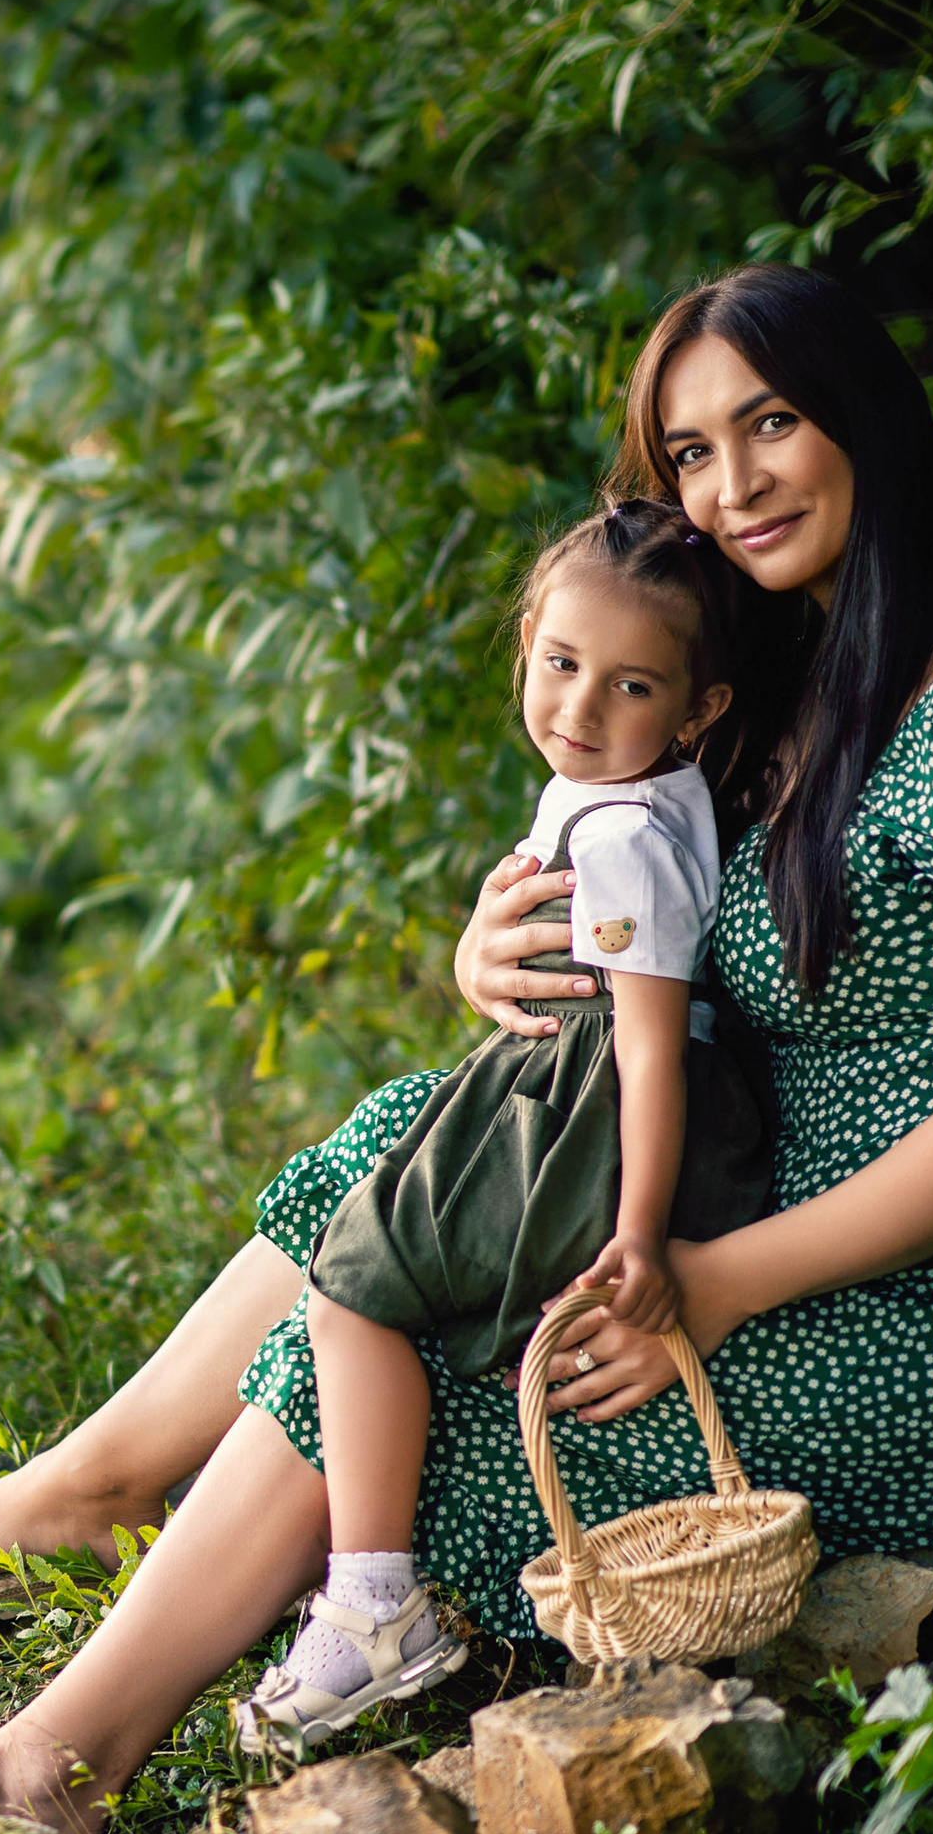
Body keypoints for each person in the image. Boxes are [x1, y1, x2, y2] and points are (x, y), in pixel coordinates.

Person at [0, 262, 933, 1834]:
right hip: (758, 1170)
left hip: (932, 1301)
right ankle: (94, 1491)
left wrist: (718, 1282)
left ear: (867, 422)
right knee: (408, 1141)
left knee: (415, 1353)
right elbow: (667, 936)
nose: (734, 483)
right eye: (692, 452)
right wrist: (491, 953)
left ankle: (55, 1762)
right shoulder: (790, 680)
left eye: (771, 425)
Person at [239, 497, 771, 1745]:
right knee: (371, 1244)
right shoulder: (631, 792)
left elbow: (648, 1049)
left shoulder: (630, 832)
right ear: (527, 637)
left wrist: (640, 1235)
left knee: (349, 1286)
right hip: (574, 1091)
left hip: (602, 1115)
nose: (580, 711)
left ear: (696, 711)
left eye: (630, 687)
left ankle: (374, 1599)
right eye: (561, 664)